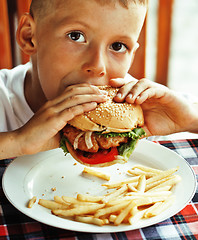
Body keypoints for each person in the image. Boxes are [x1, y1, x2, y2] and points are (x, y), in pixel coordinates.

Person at [0, 0, 197, 160]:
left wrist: (190, 119)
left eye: (118, 46)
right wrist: (17, 140)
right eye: (76, 36)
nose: (98, 66)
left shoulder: (138, 104)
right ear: (29, 36)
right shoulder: (3, 98)